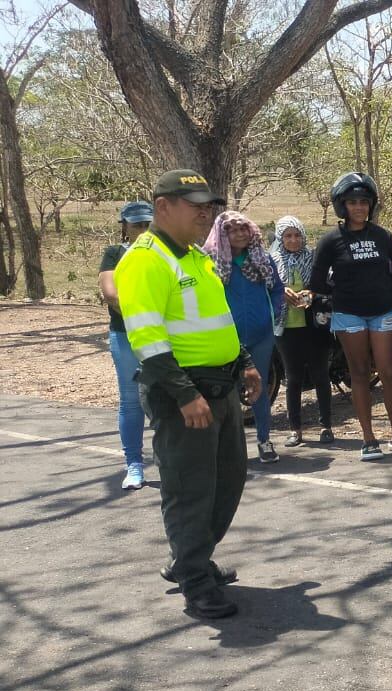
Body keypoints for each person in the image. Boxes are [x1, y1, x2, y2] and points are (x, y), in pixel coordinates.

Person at [113, 169, 261, 618]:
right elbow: (147, 338)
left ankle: (189, 559)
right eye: (194, 204)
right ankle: (195, 581)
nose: (205, 212)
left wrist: (245, 364)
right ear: (162, 206)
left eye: (209, 205)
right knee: (190, 489)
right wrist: (183, 394)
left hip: (220, 387)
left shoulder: (195, 257)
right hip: (184, 393)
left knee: (228, 480)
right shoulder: (145, 260)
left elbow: (217, 321)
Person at [309, 172, 392, 461]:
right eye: (352, 202)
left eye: (364, 202)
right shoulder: (331, 240)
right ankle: (369, 439)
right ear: (341, 206)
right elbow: (318, 282)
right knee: (359, 374)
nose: (359, 207)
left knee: (390, 373)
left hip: (382, 313)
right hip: (348, 316)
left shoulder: (383, 236)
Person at [203, 210, 284, 464]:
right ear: (222, 234)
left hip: (260, 336)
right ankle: (227, 447)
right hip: (225, 338)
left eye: (243, 229)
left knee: (257, 388)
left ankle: (264, 440)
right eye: (232, 230)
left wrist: (273, 312)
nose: (239, 234)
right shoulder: (210, 262)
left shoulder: (262, 259)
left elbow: (277, 289)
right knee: (224, 392)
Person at [100, 200, 155, 490]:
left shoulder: (163, 252)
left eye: (147, 224)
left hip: (163, 337)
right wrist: (144, 319)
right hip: (126, 335)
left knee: (165, 398)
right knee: (132, 401)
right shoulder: (114, 254)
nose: (143, 230)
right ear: (124, 226)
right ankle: (134, 463)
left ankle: (168, 459)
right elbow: (111, 294)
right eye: (137, 225)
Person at [270, 216, 336, 447]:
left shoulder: (313, 258)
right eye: (288, 236)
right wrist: (282, 292)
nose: (293, 240)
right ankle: (295, 430)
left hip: (314, 325)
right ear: (280, 238)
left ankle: (326, 426)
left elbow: (325, 285)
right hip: (286, 328)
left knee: (320, 375)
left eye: (297, 235)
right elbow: (268, 288)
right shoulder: (273, 260)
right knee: (294, 378)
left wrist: (311, 295)